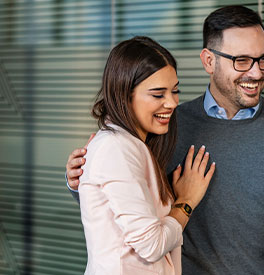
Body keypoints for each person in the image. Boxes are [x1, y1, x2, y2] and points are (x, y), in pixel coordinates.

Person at [66, 6, 264, 274]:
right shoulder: (166, 124)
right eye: (241, 60)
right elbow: (124, 199)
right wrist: (80, 178)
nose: (256, 72)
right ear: (208, 60)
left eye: (263, 59)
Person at [77, 36, 215, 274]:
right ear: (124, 94)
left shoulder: (134, 145)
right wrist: (186, 202)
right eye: (158, 94)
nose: (172, 103)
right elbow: (151, 246)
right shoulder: (116, 148)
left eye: (175, 91)